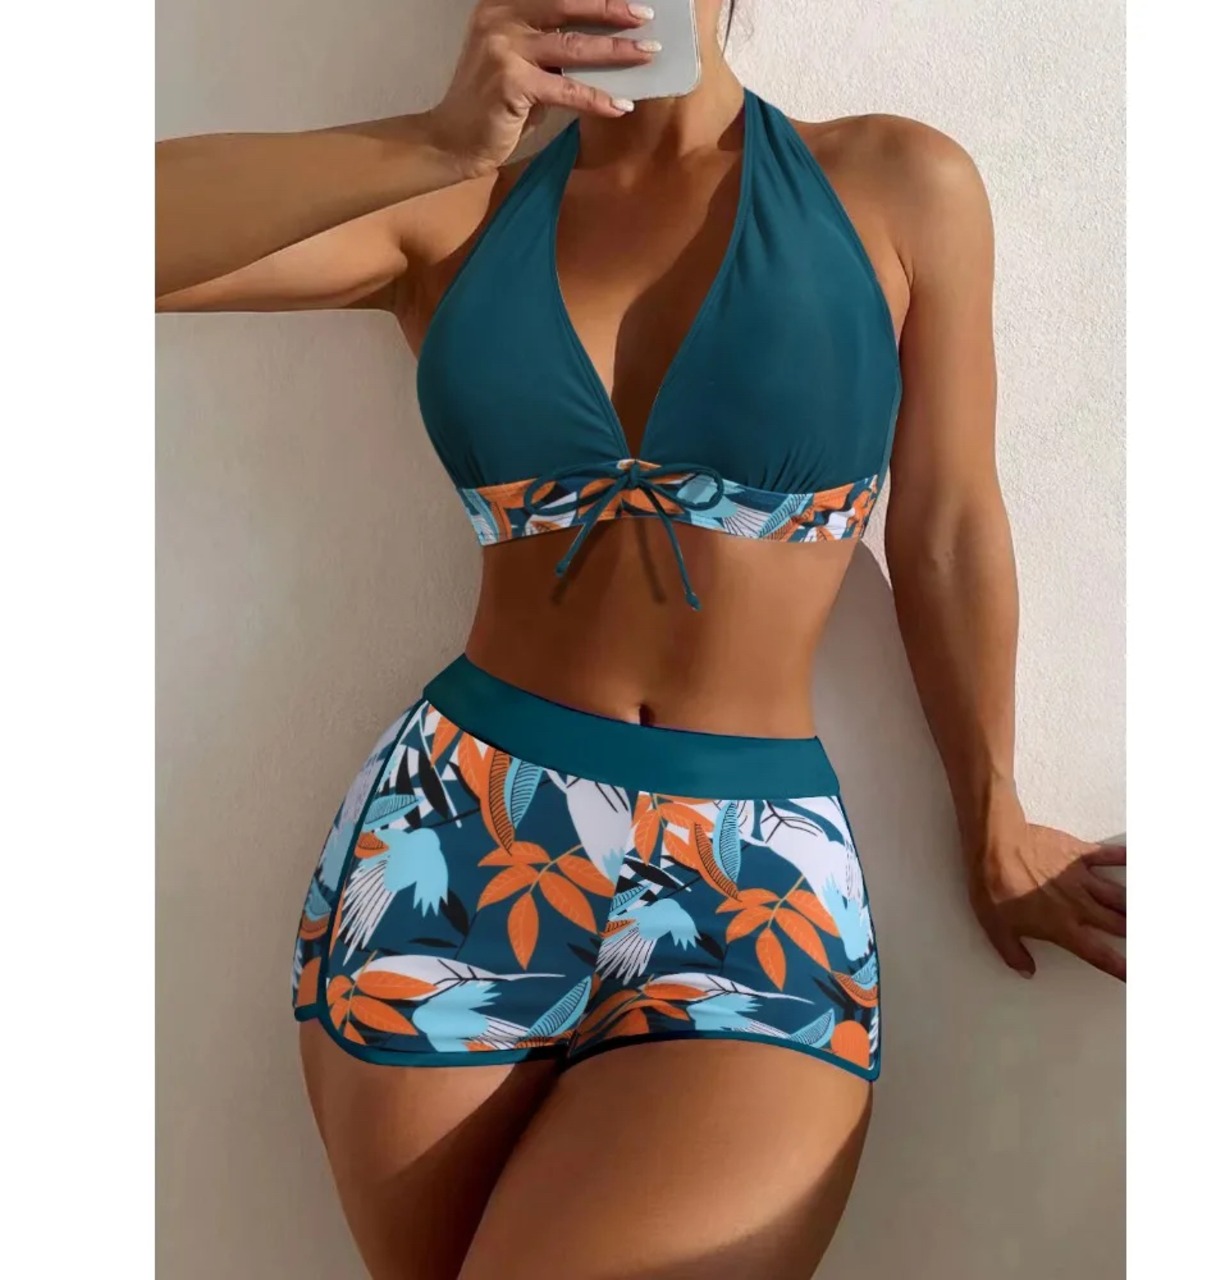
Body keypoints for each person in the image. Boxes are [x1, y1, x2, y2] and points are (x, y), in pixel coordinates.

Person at [156, 1, 1125, 1276]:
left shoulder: (895, 182)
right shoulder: (458, 206)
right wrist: (438, 142)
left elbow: (944, 524)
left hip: (754, 874)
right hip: (447, 844)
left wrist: (990, 817)